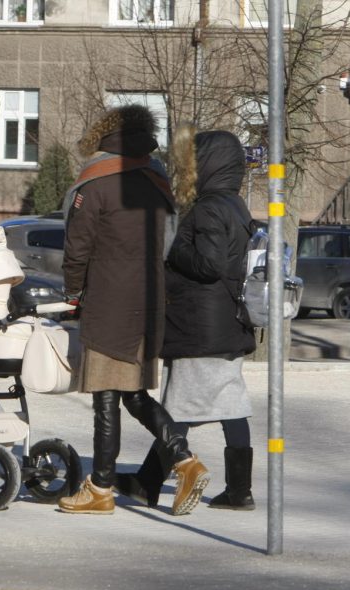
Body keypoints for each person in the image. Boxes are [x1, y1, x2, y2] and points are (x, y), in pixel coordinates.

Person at [56, 104, 210, 516]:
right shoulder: (157, 179)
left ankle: (101, 488)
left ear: (104, 136)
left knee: (107, 393)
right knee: (133, 392)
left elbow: (77, 246)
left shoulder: (96, 180)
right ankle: (183, 461)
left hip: (108, 300)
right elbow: (168, 242)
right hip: (149, 301)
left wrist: (73, 291)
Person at [115, 125, 257, 511]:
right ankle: (239, 491)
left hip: (198, 324)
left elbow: (208, 264)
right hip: (226, 322)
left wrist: (172, 249)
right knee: (231, 406)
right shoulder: (235, 206)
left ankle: (149, 482)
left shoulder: (209, 207)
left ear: (210, 164)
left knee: (178, 409)